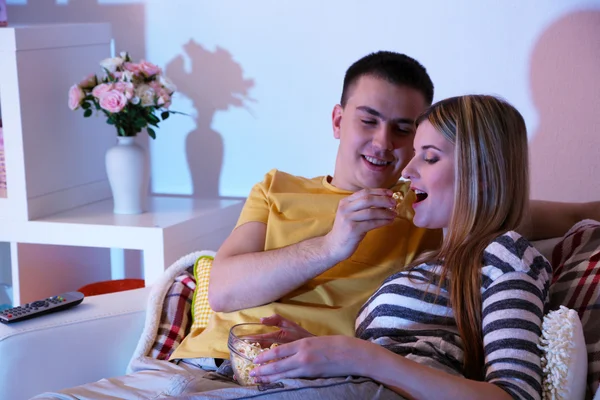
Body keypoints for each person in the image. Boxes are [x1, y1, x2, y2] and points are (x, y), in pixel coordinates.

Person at [33, 52, 599, 399]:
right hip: (208, 364)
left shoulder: (430, 212)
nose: (387, 147)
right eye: (368, 120)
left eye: (408, 133)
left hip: (319, 379)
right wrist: (333, 244)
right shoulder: (277, 187)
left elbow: (519, 208)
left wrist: (341, 352)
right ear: (338, 119)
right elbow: (222, 287)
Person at [247, 95, 552, 400]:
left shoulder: (506, 255)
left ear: (482, 174)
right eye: (415, 153)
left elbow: (516, 395)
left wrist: (357, 355)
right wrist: (320, 348)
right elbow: (391, 362)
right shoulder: (428, 263)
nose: (407, 170)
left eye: (429, 157)